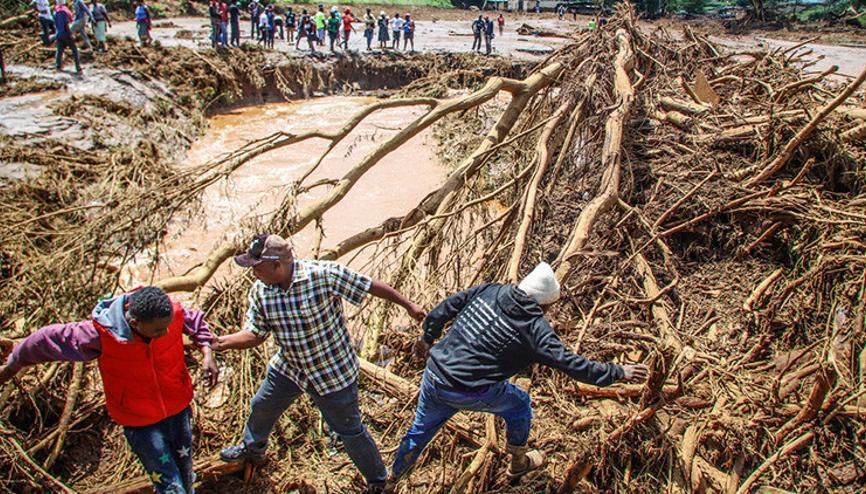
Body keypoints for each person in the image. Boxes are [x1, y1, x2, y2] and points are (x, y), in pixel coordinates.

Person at [384, 263, 650, 492]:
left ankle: (392, 479)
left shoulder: (491, 290)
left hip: (434, 375)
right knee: (519, 404)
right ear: (545, 305)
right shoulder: (536, 330)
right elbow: (574, 365)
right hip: (468, 390)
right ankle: (519, 463)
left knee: (419, 430)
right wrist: (617, 372)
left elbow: (444, 308)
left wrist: (427, 338)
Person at [212, 234, 425, 494]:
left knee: (349, 431)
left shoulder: (322, 275)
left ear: (277, 264)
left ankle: (378, 481)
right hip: (290, 368)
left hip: (332, 372)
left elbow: (369, 285)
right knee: (261, 406)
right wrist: (224, 342)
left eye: (257, 266)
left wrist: (409, 305)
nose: (253, 272)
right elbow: (256, 333)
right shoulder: (260, 291)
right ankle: (252, 450)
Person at [0, 287, 219, 494]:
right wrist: (13, 365)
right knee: (170, 485)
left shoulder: (168, 312)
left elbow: (193, 319)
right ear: (134, 323)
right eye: (159, 330)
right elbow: (45, 340)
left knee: (186, 473)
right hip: (140, 422)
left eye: (169, 325)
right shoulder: (101, 335)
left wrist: (207, 351)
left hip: (178, 408)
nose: (167, 332)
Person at [53, 0, 81, 73]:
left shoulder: (56, 12)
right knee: (74, 50)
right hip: (66, 34)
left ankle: (58, 66)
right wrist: (71, 34)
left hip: (59, 34)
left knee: (59, 51)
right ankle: (78, 67)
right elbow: (67, 24)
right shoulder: (64, 11)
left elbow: (55, 24)